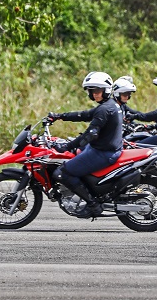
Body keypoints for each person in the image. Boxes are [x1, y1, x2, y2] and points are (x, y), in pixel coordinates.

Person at [46, 71, 124, 218]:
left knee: (61, 173)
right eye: (92, 91)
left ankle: (92, 204)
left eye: (98, 91)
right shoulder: (110, 105)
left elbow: (90, 134)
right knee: (75, 158)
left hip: (103, 153)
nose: (95, 94)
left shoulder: (104, 109)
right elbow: (84, 115)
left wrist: (67, 147)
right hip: (105, 148)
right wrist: (60, 116)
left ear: (106, 90)